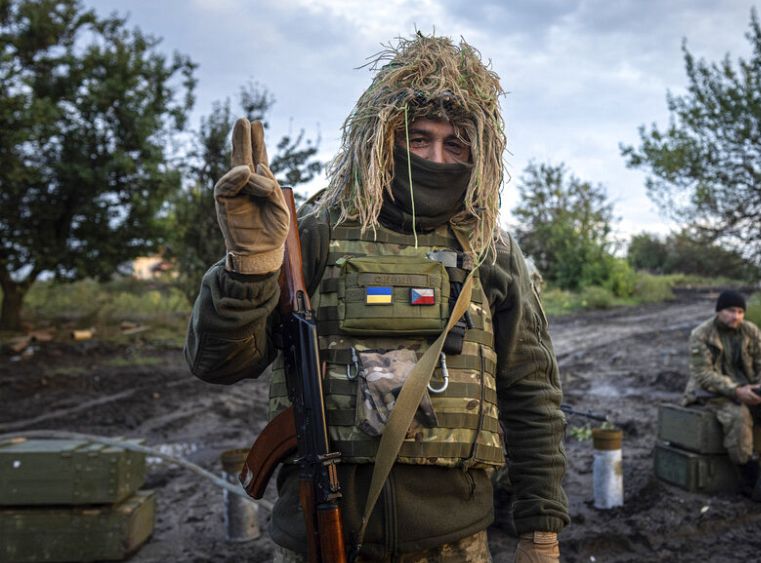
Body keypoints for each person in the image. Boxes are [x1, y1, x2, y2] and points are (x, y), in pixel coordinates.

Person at [185, 34, 568, 561]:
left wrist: (540, 529)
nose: (437, 157)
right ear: (381, 138)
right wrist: (250, 267)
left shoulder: (491, 251)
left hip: (454, 543)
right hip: (318, 535)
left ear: (479, 153)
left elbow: (532, 393)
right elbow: (218, 363)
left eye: (455, 144)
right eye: (419, 139)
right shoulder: (311, 233)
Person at [681, 290, 761, 508]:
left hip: (751, 392)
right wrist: (736, 391)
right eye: (730, 311)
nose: (736, 316)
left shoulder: (751, 331)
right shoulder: (701, 334)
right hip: (714, 394)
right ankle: (751, 480)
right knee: (738, 416)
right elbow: (704, 375)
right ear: (719, 311)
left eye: (740, 311)